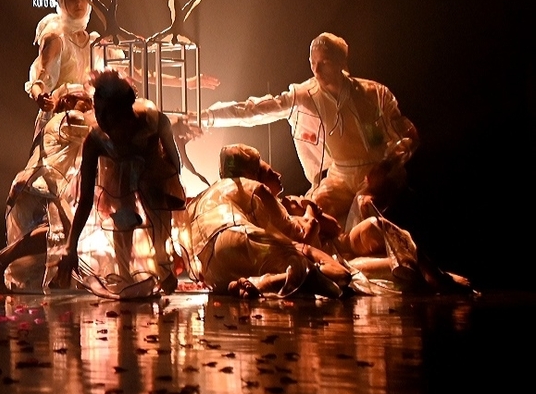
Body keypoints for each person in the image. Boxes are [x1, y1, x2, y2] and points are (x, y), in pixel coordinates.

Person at [199, 33, 417, 225]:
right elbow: (255, 110)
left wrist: (387, 164)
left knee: (364, 207)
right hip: (339, 176)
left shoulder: (374, 94)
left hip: (375, 173)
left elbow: (409, 135)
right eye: (313, 63)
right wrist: (205, 117)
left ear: (341, 62)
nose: (316, 70)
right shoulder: (306, 96)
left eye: (324, 62)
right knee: (313, 209)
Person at [0, 0, 96, 293]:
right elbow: (40, 78)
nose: (79, 4)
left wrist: (188, 81)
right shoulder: (56, 37)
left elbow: (125, 74)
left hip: (86, 127)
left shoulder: (93, 41)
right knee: (56, 213)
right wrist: (42, 96)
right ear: (61, 2)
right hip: (60, 128)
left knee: (83, 208)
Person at [55, 70, 188, 298]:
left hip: (154, 180)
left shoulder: (153, 122)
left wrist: (162, 187)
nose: (102, 120)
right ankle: (126, 275)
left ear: (124, 111)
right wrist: (71, 245)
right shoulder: (96, 140)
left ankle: (162, 263)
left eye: (109, 114)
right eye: (97, 111)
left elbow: (175, 165)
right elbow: (86, 199)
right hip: (118, 187)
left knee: (155, 210)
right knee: (124, 217)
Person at [184, 145, 351, 298]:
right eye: (269, 171)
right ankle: (267, 282)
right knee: (331, 270)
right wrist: (309, 207)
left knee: (285, 259)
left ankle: (258, 283)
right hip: (235, 235)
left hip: (211, 269)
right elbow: (298, 234)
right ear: (254, 174)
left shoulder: (205, 196)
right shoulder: (252, 187)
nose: (278, 174)